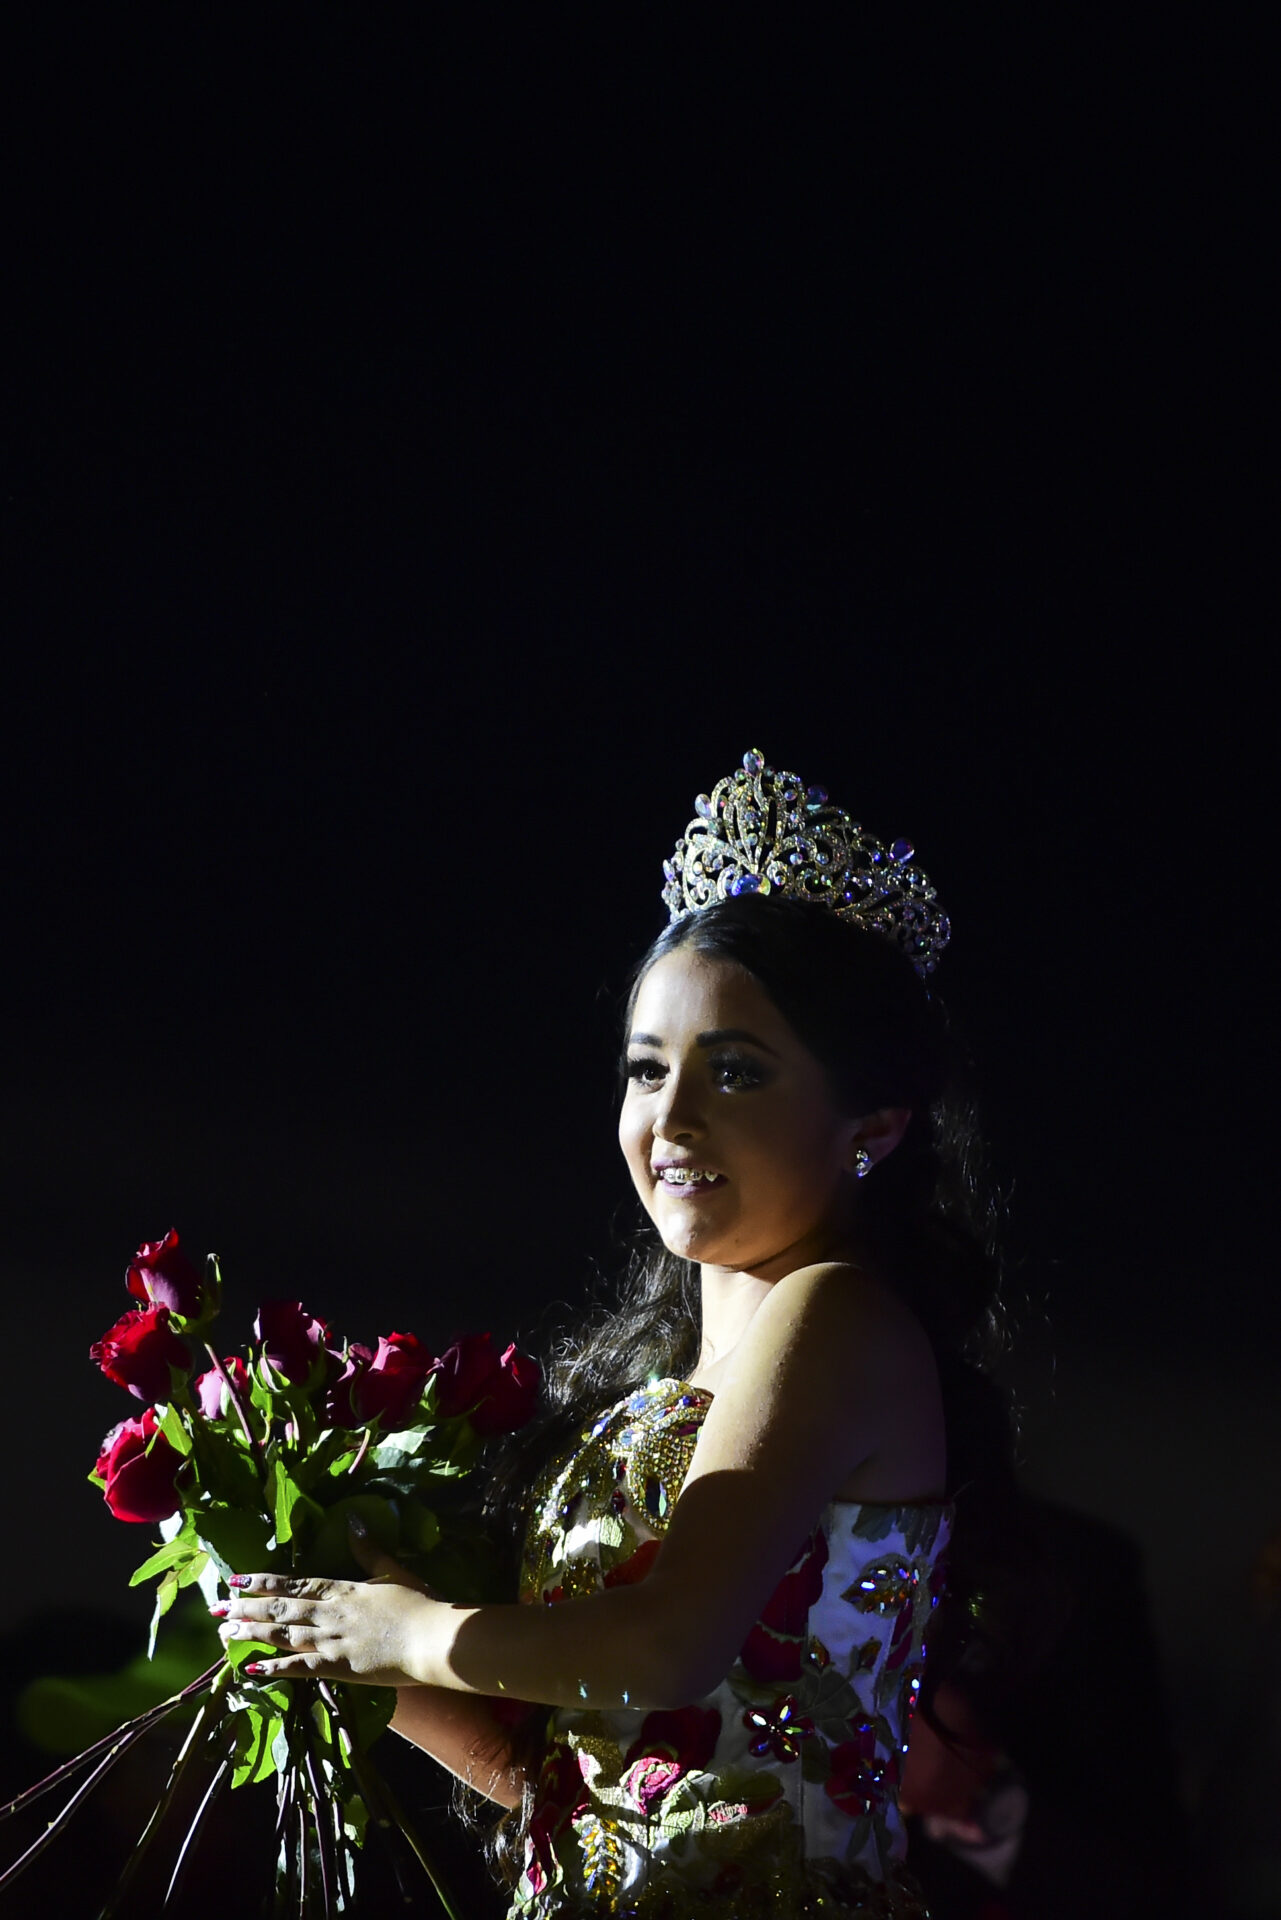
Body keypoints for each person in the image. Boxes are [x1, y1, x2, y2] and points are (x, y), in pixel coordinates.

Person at [219, 749, 998, 1918]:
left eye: (736, 1072)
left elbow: (672, 1647)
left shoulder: (834, 1316)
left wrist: (412, 1630)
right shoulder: (657, 1386)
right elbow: (554, 1783)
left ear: (870, 1127)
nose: (672, 1117)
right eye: (647, 1069)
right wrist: (331, 1627)